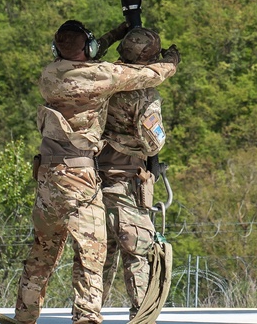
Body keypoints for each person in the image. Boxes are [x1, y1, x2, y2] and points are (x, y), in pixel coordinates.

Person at [14, 20, 181, 324]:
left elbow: (86, 54)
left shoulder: (50, 74)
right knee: (91, 255)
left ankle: (24, 318)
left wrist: (116, 33)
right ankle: (86, 319)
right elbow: (151, 78)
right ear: (87, 50)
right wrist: (172, 61)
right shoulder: (103, 76)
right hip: (81, 177)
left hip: (48, 176)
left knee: (41, 255)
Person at [98, 27, 169, 320]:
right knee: (136, 250)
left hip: (92, 176)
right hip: (125, 179)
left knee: (99, 254)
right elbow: (154, 141)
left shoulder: (101, 76)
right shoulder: (142, 93)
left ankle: (88, 311)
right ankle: (141, 314)